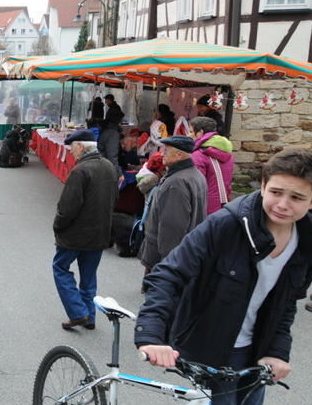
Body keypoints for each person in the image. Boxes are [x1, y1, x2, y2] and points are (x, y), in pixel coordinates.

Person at [136, 148, 312, 405]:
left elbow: (287, 303)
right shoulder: (226, 225)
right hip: (213, 344)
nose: (283, 204)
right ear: (262, 185)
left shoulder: (311, 242)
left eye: (297, 198)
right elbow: (168, 274)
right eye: (275, 192)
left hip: (256, 348)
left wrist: (277, 351)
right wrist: (151, 334)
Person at [52, 129, 118, 330]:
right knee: (88, 278)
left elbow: (67, 208)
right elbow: (115, 198)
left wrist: (58, 225)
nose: (71, 152)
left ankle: (78, 312)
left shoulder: (80, 171)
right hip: (99, 233)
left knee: (60, 268)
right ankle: (89, 316)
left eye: (72, 147)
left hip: (76, 234)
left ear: (80, 146)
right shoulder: (108, 166)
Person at [137, 136, 207, 283]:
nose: (162, 154)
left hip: (167, 259)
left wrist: (167, 265)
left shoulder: (176, 182)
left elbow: (172, 228)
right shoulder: (195, 175)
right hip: (185, 250)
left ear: (179, 155)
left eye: (167, 151)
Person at [190, 116, 234, 214]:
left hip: (204, 206)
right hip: (224, 203)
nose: (189, 135)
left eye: (191, 131)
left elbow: (196, 186)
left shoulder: (199, 155)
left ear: (200, 133)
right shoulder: (226, 151)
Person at [99, 94, 125, 177]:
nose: (105, 102)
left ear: (110, 100)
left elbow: (111, 120)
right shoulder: (112, 107)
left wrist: (102, 122)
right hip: (110, 131)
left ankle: (116, 177)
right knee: (106, 154)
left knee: (111, 156)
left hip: (111, 132)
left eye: (106, 100)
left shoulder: (115, 108)